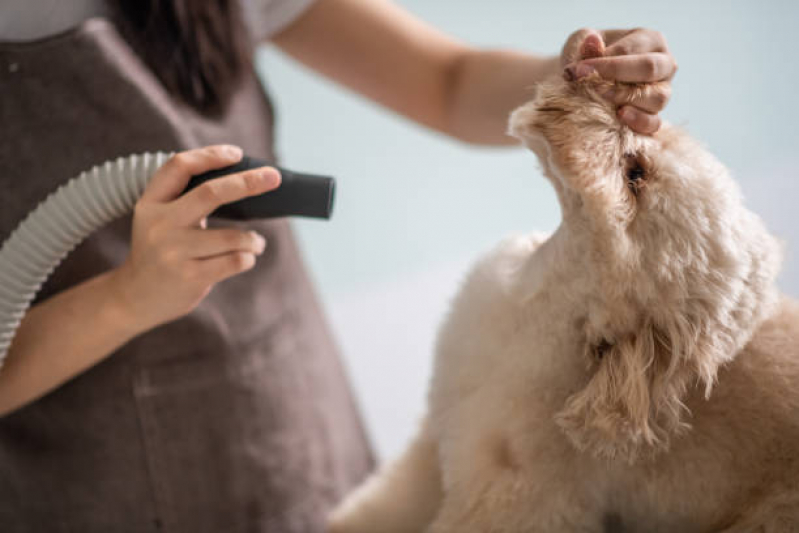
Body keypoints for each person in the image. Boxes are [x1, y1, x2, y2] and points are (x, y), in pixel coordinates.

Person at [0, 0, 677, 531]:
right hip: (91, 475)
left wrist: (575, 78)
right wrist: (126, 297)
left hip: (286, 412)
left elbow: (445, 80)